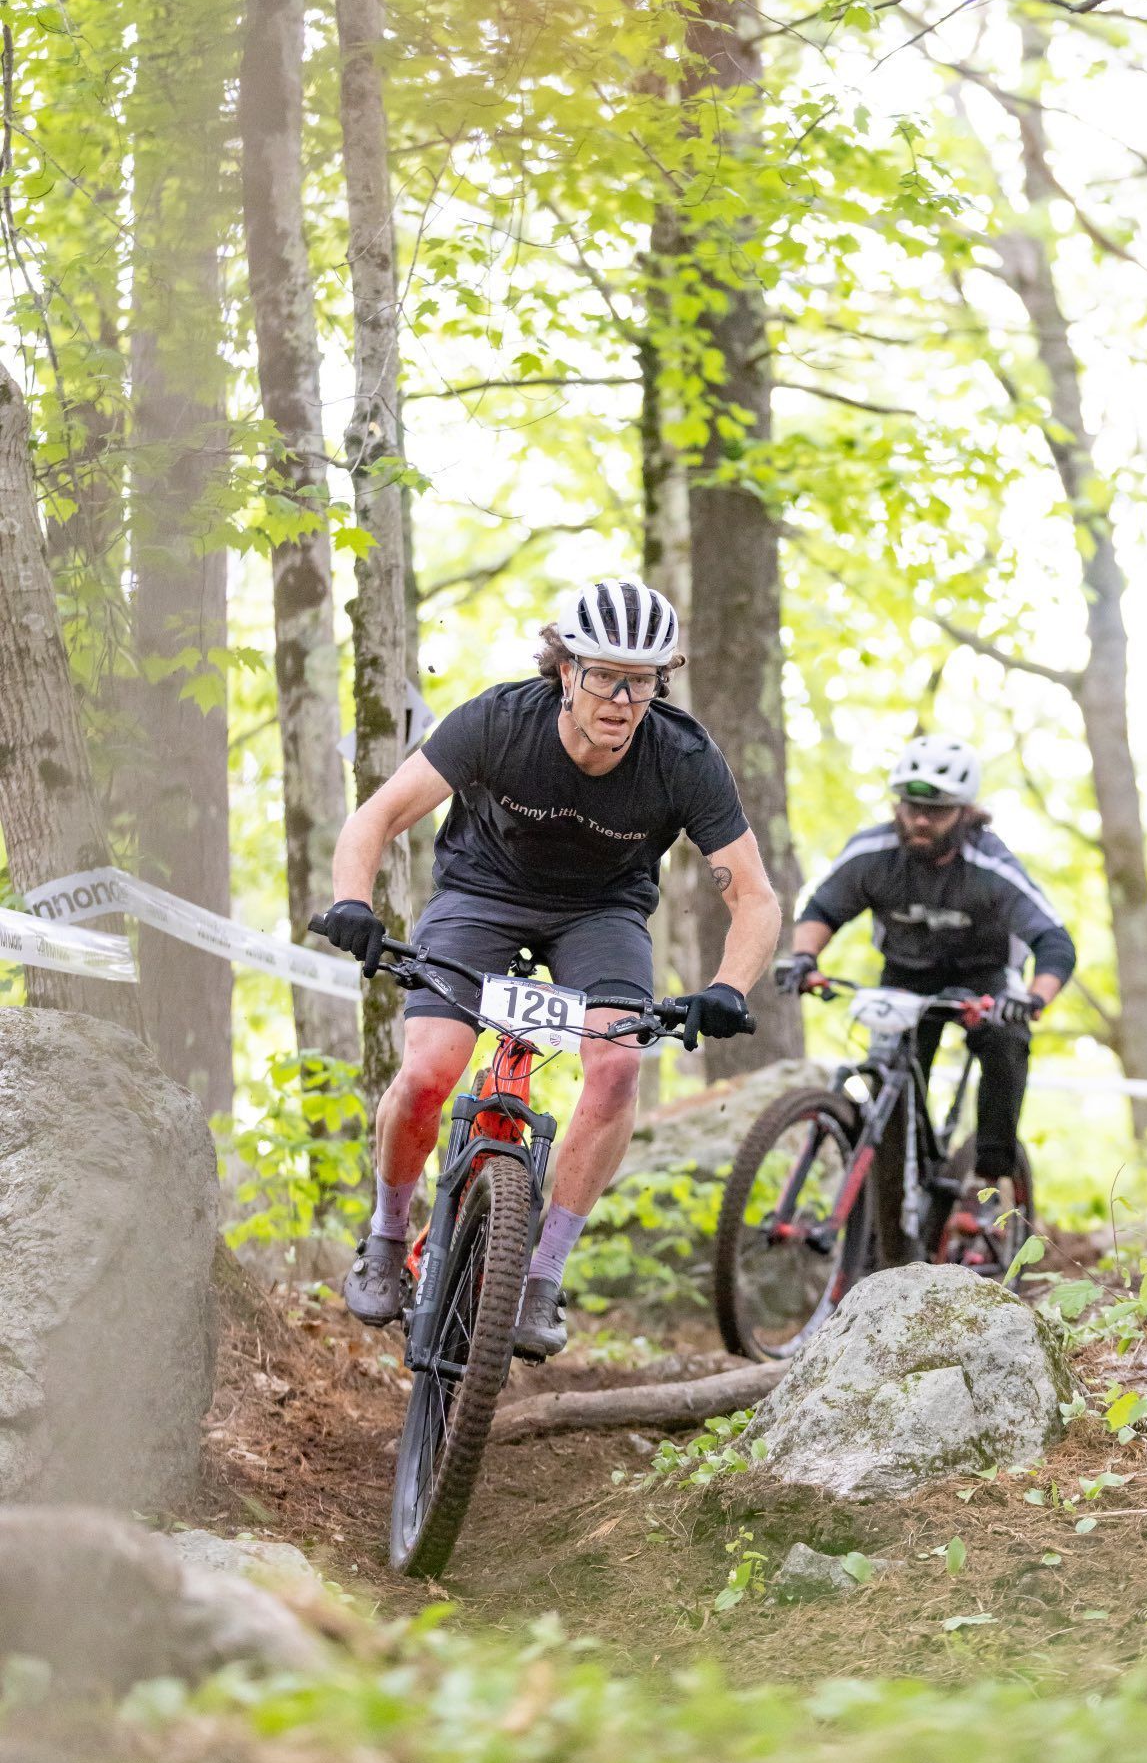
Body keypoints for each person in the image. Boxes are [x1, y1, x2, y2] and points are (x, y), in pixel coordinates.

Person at [318, 575, 781, 1356]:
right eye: (603, 675)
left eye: (641, 682)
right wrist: (353, 902)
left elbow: (757, 898)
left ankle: (540, 1278)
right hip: (480, 896)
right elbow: (379, 815)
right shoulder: (499, 720)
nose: (622, 700)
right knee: (432, 1068)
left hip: (602, 915)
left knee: (617, 1066)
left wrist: (728, 987)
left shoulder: (683, 756)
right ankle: (389, 1237)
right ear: (565, 669)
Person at [776, 733, 1076, 1238]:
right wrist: (805, 957)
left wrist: (1033, 998)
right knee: (887, 1076)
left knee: (1004, 1044)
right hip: (906, 976)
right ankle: (893, 1212)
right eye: (912, 806)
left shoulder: (990, 866)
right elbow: (823, 909)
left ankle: (988, 1180)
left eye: (935, 811)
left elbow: (1054, 941)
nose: (920, 820)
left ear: (963, 812)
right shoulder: (873, 853)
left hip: (984, 978)